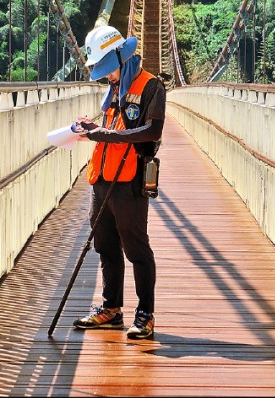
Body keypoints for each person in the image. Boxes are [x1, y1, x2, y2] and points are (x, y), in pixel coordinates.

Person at [73, 25, 166, 340]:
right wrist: (91, 126)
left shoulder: (151, 86)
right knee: (105, 246)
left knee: (136, 248)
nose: (105, 76)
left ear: (120, 56)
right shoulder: (116, 87)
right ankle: (111, 309)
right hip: (101, 177)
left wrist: (105, 135)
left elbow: (151, 131)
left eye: (106, 69)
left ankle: (145, 315)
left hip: (129, 181)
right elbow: (112, 122)